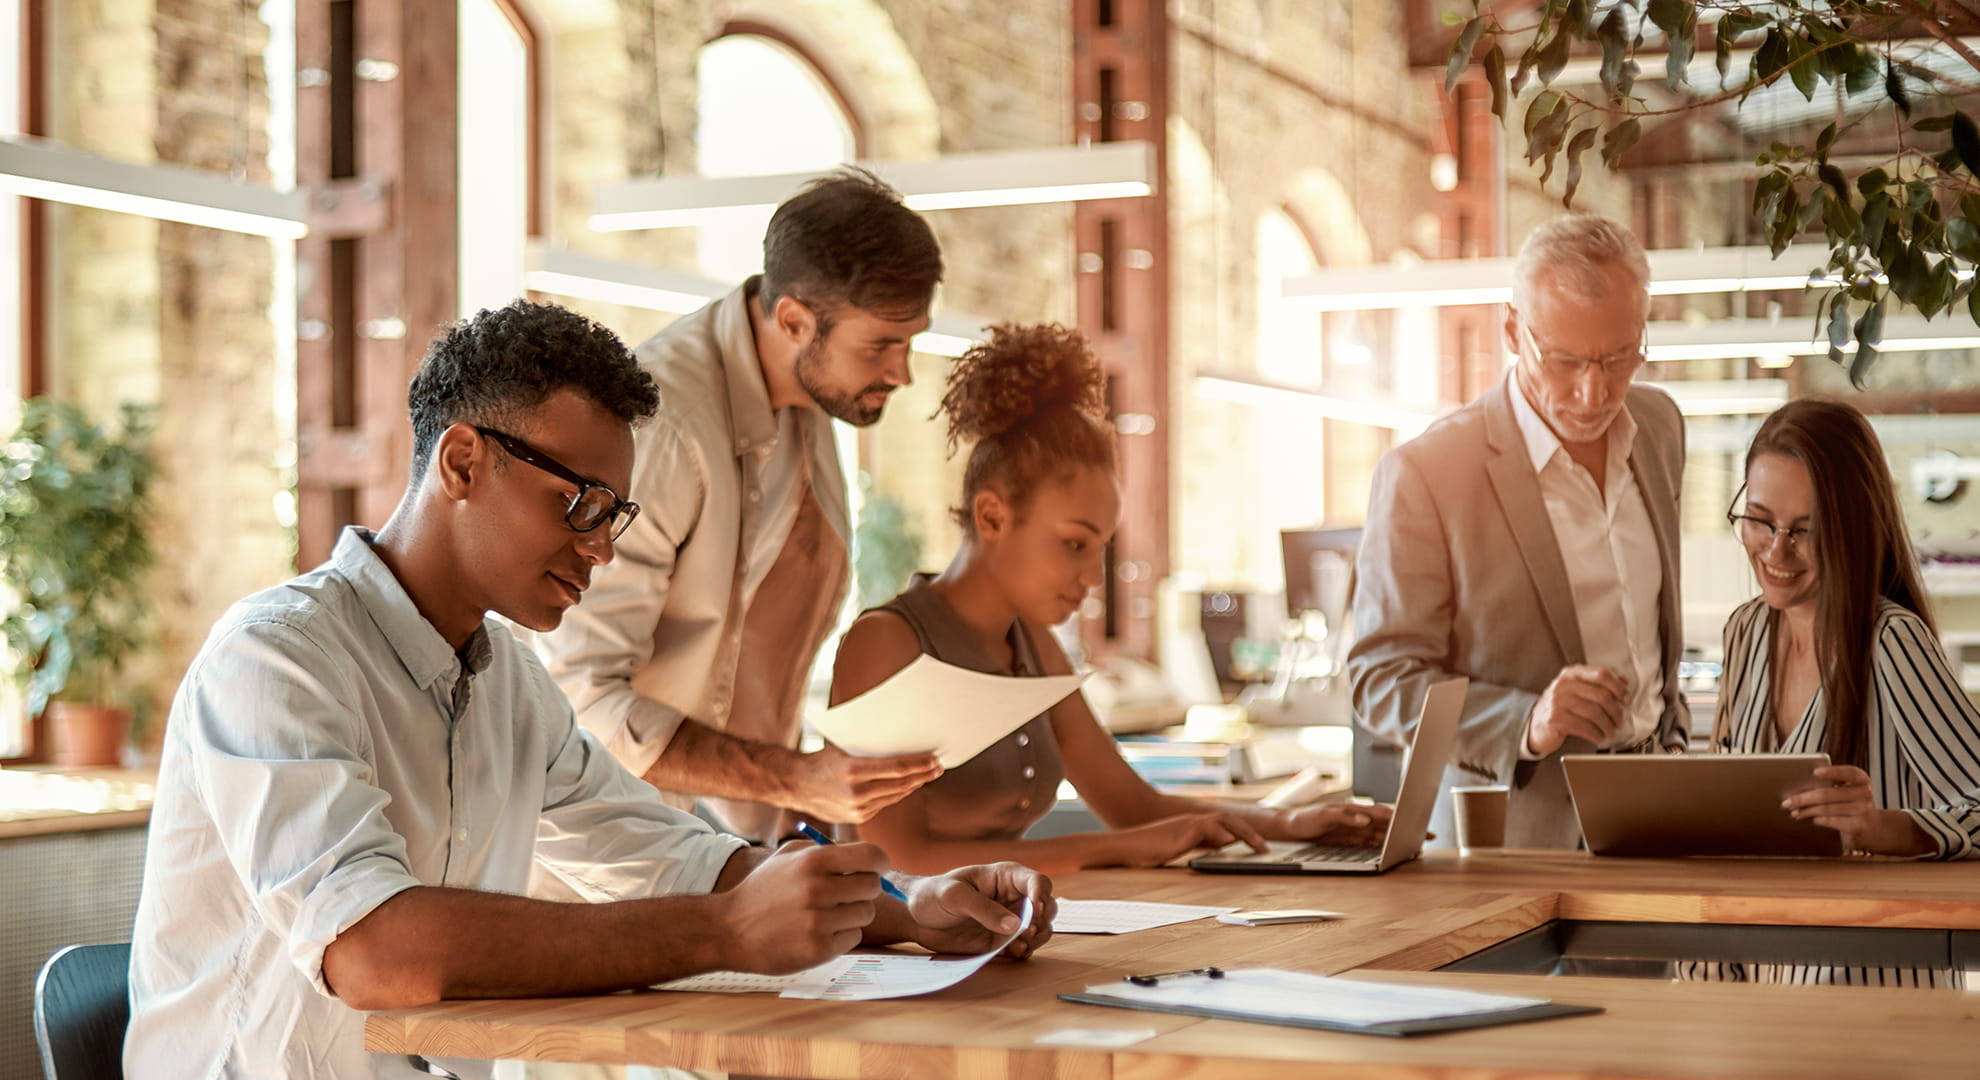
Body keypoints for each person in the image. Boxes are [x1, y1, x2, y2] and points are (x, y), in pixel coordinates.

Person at [124, 301, 1053, 1079]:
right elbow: (374, 950)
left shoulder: (508, 683)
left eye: (616, 514)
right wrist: (725, 932)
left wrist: (908, 911)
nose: (602, 547)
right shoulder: (277, 659)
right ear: (461, 464)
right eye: (579, 504)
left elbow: (668, 853)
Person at [829, 323, 1392, 875]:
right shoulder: (887, 644)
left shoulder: (1034, 646)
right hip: (899, 955)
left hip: (999, 931)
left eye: (1100, 548)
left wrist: (1286, 825)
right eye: (1074, 543)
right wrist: (1114, 849)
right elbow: (897, 861)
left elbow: (1134, 809)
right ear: (992, 515)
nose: (1092, 576)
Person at [540, 169, 947, 842]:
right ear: (793, 320)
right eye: (881, 344)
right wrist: (793, 777)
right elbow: (583, 698)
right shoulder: (665, 427)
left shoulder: (811, 399)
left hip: (730, 843)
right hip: (611, 860)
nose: (902, 371)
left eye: (910, 340)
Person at [1347, 214, 1688, 849]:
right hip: (1508, 837)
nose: (1593, 392)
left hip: (1653, 817)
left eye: (1620, 357)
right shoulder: (1426, 473)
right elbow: (1380, 678)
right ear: (1513, 331)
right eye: (1564, 360)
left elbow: (1653, 631)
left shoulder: (1661, 427)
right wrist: (1526, 721)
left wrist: (1673, 736)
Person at [1716, 397, 1980, 860]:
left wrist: (1880, 828)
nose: (1776, 553)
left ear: (1851, 530)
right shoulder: (1745, 630)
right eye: (1760, 521)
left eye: (1806, 531)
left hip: (1869, 926)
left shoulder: (1891, 641)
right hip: (1756, 919)